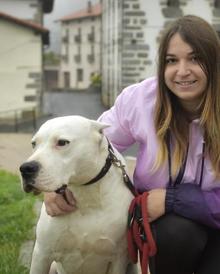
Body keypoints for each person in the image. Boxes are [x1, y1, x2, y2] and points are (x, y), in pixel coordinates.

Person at [44, 15, 220, 274]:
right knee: (175, 234)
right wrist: (55, 184)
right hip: (171, 228)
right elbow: (88, 145)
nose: (182, 71)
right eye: (172, 60)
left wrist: (173, 200)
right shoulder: (141, 100)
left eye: (195, 58)